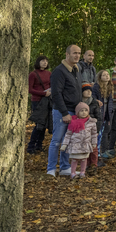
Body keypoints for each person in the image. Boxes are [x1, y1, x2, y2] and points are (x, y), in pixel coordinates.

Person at [47, 45, 83, 177]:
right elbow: (56, 94)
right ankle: (51, 169)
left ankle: (65, 167)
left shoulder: (76, 69)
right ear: (67, 54)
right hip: (62, 111)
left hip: (74, 112)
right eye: (74, 53)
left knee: (68, 141)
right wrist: (64, 113)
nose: (77, 56)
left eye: (79, 53)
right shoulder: (59, 71)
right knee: (56, 141)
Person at [60, 101, 98, 179]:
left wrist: (94, 143)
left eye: (86, 110)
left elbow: (94, 134)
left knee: (84, 159)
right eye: (81, 111)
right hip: (75, 145)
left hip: (85, 144)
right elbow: (68, 134)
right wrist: (64, 144)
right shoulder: (73, 122)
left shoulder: (91, 122)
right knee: (75, 159)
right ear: (77, 112)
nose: (84, 112)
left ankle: (82, 172)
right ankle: (73, 173)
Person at [27, 56, 51, 154]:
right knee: (38, 124)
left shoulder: (49, 73)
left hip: (47, 100)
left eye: (46, 61)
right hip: (37, 101)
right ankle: (31, 146)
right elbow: (30, 89)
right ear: (38, 62)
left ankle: (39, 145)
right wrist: (43, 93)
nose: (45, 63)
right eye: (42, 61)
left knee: (44, 124)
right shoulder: (33, 74)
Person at [80, 85, 103, 172]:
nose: (89, 92)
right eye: (86, 90)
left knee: (93, 147)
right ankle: (86, 164)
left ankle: (93, 164)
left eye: (90, 90)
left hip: (92, 128)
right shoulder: (79, 103)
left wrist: (97, 130)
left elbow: (99, 117)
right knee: (84, 147)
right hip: (82, 129)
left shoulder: (94, 102)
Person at [92, 70, 113, 160]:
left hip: (106, 113)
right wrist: (96, 101)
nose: (107, 76)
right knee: (98, 134)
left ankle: (103, 151)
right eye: (104, 75)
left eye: (107, 74)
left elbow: (110, 102)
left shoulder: (109, 87)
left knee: (104, 132)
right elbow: (92, 98)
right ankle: (97, 153)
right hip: (99, 113)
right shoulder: (96, 87)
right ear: (100, 77)